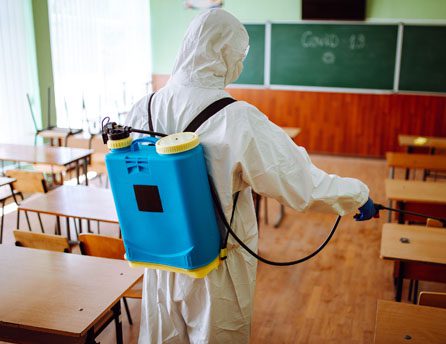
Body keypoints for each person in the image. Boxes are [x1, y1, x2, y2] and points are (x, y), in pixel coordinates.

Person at [125, 8, 377, 344]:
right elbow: (301, 183)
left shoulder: (143, 107)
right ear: (225, 53)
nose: (240, 63)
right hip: (216, 267)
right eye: (239, 55)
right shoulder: (237, 118)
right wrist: (356, 194)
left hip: (160, 257)